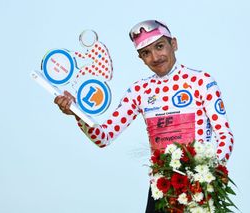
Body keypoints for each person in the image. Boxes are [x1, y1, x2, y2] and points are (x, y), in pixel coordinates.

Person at [54, 20, 234, 213]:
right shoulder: (140, 90)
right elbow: (103, 137)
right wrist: (77, 114)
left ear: (174, 44)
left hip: (198, 188)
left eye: (159, 46)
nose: (155, 57)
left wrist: (205, 172)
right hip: (161, 190)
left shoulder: (201, 81)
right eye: (146, 53)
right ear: (140, 58)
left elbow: (225, 136)